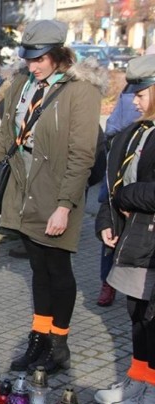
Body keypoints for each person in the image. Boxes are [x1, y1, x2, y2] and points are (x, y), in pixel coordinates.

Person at [0, 20, 106, 375]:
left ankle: (59, 345)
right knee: (37, 267)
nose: (32, 66)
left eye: (40, 59)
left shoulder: (81, 91)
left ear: (58, 55)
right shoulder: (21, 83)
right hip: (22, 187)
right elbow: (6, 137)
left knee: (58, 269)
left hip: (57, 189)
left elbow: (82, 156)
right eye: (29, 58)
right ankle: (39, 336)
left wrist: (65, 206)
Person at [94, 55, 155, 404]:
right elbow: (113, 180)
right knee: (136, 313)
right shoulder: (138, 130)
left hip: (150, 240)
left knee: (151, 318)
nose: (134, 100)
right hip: (133, 239)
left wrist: (124, 199)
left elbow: (132, 191)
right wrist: (106, 217)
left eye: (142, 93)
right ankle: (138, 379)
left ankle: (151, 395)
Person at [96, 86, 141, 307]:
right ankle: (107, 282)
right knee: (112, 232)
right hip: (121, 182)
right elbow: (111, 131)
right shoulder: (129, 96)